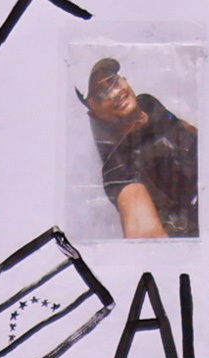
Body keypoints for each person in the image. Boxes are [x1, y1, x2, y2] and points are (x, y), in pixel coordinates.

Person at [81, 55, 199, 240]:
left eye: (113, 81)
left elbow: (189, 132)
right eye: (101, 94)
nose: (114, 93)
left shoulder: (148, 104)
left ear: (124, 80)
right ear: (94, 113)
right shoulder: (119, 170)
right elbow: (149, 247)